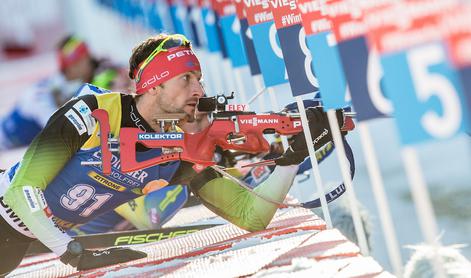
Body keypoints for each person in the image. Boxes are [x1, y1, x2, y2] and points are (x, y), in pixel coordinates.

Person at [0, 33, 345, 275]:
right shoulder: (93, 111)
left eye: (199, 79)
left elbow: (250, 215)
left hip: (18, 244)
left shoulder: (177, 149)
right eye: (186, 79)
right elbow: (20, 192)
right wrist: (71, 253)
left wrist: (291, 158)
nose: (199, 89)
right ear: (155, 84)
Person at [0, 35, 97, 150]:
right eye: (82, 60)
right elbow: (60, 131)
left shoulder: (87, 78)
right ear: (71, 66)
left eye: (87, 57)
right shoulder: (43, 95)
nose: (89, 63)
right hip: (7, 142)